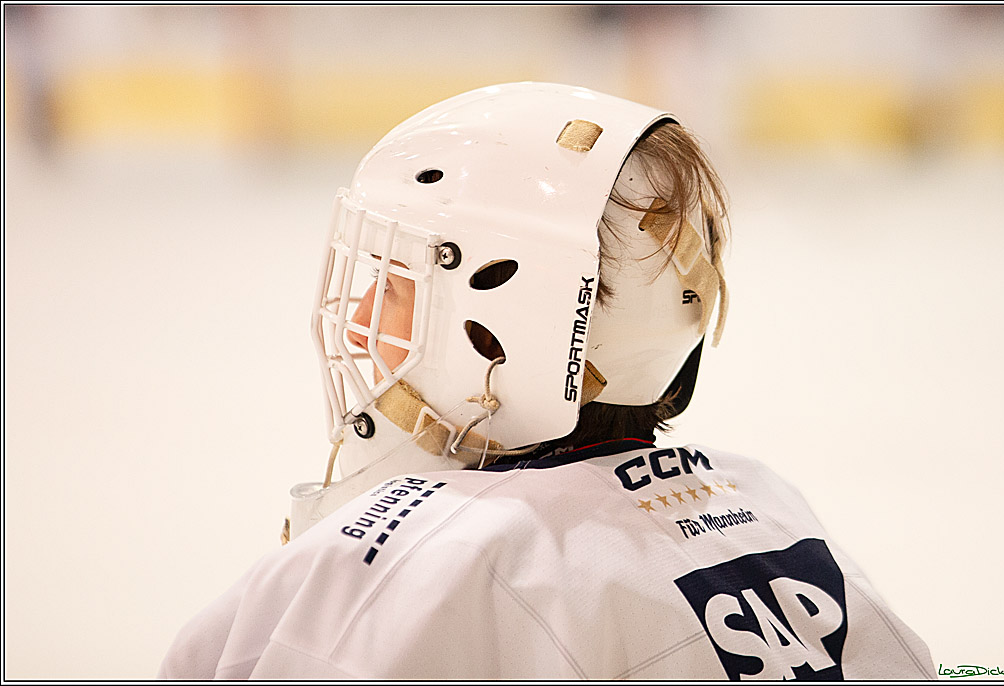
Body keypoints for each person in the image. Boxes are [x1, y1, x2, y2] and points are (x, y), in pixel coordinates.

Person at [159, 82, 936, 680]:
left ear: (511, 318)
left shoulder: (405, 563)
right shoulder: (770, 508)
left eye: (396, 281)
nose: (361, 310)